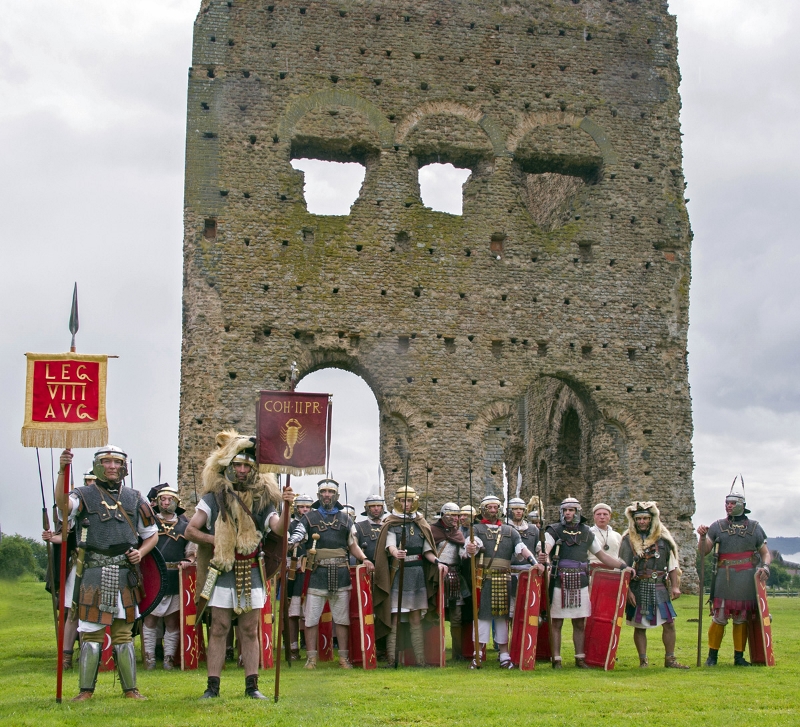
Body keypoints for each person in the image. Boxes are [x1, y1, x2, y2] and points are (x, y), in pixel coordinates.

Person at [185, 431, 293, 699]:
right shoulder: (213, 498)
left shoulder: (263, 499)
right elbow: (190, 530)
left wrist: (287, 506)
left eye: (247, 465)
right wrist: (218, 540)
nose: (242, 470)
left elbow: (279, 529)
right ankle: (212, 687)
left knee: (249, 630)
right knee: (219, 628)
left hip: (251, 569)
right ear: (229, 466)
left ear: (255, 469)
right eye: (238, 465)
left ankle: (252, 687)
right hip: (223, 570)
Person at [55, 446, 158, 701]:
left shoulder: (136, 497)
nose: (112, 466)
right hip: (93, 572)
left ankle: (130, 689)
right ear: (97, 465)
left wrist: (141, 553)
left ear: (123, 467)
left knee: (124, 634)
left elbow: (151, 534)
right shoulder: (83, 494)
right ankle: (85, 690)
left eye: (117, 462)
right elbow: (63, 506)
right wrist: (62, 470)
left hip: (125, 572)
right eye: (106, 461)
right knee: (91, 632)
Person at [286, 479, 375, 669]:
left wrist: (364, 558)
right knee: (311, 619)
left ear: (336, 495)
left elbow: (352, 544)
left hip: (340, 572)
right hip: (316, 573)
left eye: (330, 492)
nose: (327, 495)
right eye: (324, 492)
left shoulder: (346, 519)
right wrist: (292, 543)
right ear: (319, 495)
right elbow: (298, 534)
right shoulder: (309, 518)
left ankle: (343, 658)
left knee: (342, 619)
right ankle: (311, 659)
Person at [544, 496, 632, 668]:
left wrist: (623, 566)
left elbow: (602, 556)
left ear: (577, 512)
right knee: (557, 622)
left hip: (580, 580)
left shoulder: (586, 532)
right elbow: (546, 548)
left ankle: (580, 658)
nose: (568, 513)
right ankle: (556, 659)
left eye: (571, 510)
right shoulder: (553, 530)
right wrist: (545, 557)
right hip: (558, 580)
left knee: (579, 622)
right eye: (565, 510)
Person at [464, 495, 543, 668]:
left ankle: (504, 656)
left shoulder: (510, 531)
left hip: (503, 579)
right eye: (489, 507)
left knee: (502, 618)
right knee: (482, 617)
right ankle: (478, 655)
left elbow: (521, 548)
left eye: (495, 507)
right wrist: (471, 547)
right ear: (483, 510)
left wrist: (535, 563)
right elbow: (472, 546)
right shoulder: (476, 529)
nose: (493, 510)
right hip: (483, 579)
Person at [697, 479, 770, 666]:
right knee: (719, 617)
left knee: (741, 618)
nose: (728, 506)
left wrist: (766, 567)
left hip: (746, 579)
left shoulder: (754, 527)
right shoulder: (717, 526)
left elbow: (765, 553)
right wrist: (702, 537)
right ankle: (712, 657)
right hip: (724, 578)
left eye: (732, 503)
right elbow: (704, 551)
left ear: (742, 505)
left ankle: (739, 657)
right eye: (727, 503)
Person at [373, 486, 446, 666]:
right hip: (398, 573)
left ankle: (420, 660)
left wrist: (438, 562)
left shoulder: (420, 522)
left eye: (410, 500)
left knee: (415, 617)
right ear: (397, 501)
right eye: (404, 500)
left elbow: (427, 550)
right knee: (394, 617)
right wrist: (395, 552)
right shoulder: (391, 522)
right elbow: (389, 545)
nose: (407, 504)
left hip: (417, 573)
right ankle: (391, 659)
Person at [619, 501, 688, 669]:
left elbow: (672, 565)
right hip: (638, 586)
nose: (642, 522)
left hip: (659, 587)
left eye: (645, 518)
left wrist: (675, 586)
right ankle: (643, 661)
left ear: (651, 519)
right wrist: (628, 591)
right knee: (639, 626)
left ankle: (670, 659)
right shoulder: (628, 540)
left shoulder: (663, 539)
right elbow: (623, 568)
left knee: (669, 623)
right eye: (639, 519)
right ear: (634, 520)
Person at [142, 487, 196, 670]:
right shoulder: (150, 524)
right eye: (162, 500)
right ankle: (149, 658)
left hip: (175, 579)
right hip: (153, 578)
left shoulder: (185, 526)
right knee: (150, 619)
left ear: (176, 502)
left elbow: (191, 552)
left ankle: (169, 659)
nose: (166, 503)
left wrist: (189, 561)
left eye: (169, 499)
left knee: (172, 621)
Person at [429, 502, 467, 661]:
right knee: (436, 614)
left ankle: (457, 653)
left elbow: (463, 554)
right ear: (444, 515)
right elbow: (428, 551)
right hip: (437, 576)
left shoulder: (458, 534)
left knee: (456, 617)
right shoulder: (432, 531)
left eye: (457, 516)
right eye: (452, 515)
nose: (456, 519)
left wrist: (470, 551)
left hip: (455, 577)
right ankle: (436, 652)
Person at [286, 493, 313, 660]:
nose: (305, 510)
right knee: (293, 612)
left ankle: (311, 649)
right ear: (296, 508)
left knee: (310, 612)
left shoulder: (314, 523)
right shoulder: (289, 525)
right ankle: (293, 648)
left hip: (312, 573)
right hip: (294, 575)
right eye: (302, 507)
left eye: (308, 507)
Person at [506, 497, 540, 622]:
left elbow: (539, 550)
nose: (518, 511)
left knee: (527, 611)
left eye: (521, 509)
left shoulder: (533, 529)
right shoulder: (504, 528)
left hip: (528, 574)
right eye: (515, 509)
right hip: (508, 574)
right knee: (508, 614)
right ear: (509, 511)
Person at [354, 493, 386, 562]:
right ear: (367, 508)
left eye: (378, 506)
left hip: (386, 566)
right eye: (373, 506)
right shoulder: (358, 527)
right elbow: (353, 548)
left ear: (382, 507)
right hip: (365, 566)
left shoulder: (388, 526)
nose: (376, 508)